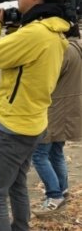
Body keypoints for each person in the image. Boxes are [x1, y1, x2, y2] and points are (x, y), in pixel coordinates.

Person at [0, 0, 70, 230]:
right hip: (34, 121)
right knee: (17, 183)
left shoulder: (36, 32)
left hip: (16, 126)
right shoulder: (53, 30)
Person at [32, 23, 82, 217]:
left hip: (55, 108)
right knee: (56, 152)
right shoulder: (77, 47)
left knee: (39, 154)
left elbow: (45, 78)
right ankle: (62, 189)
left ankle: (54, 195)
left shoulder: (64, 50)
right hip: (68, 107)